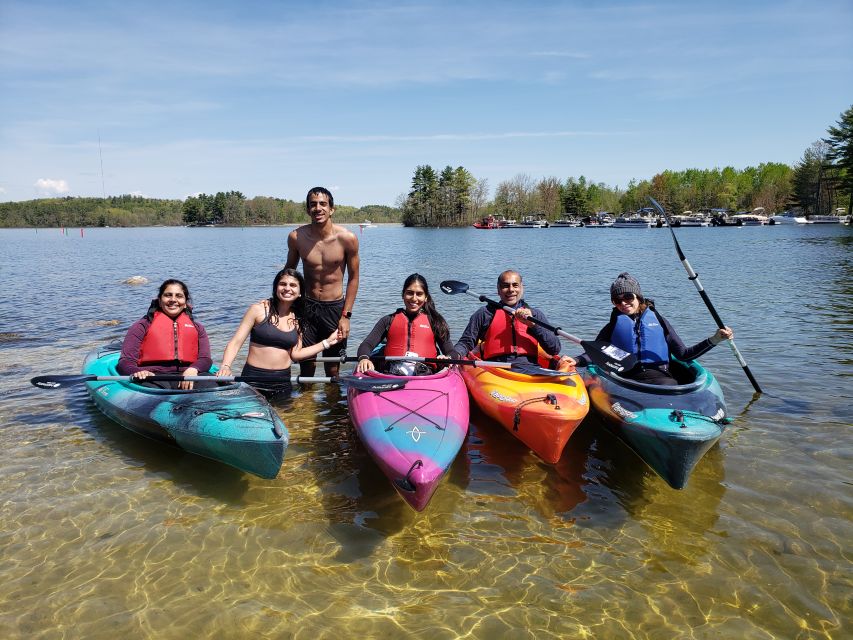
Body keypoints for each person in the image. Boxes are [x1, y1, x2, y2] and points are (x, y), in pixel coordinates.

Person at [576, 272, 734, 385]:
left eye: (628, 297)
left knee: (671, 385)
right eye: (617, 300)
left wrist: (715, 339)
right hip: (625, 381)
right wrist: (575, 360)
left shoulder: (659, 321)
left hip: (661, 378)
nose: (623, 303)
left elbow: (684, 355)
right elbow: (594, 353)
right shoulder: (612, 327)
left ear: (638, 297)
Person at [216, 268, 342, 397]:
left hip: (282, 382)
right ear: (276, 288)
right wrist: (226, 366)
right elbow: (236, 342)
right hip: (253, 379)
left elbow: (296, 354)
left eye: (293, 285)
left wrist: (327, 342)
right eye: (283, 284)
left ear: (299, 292)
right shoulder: (258, 310)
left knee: (286, 417)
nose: (287, 288)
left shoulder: (298, 318)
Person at [284, 187, 359, 378]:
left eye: (323, 204)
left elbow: (354, 278)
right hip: (307, 307)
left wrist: (346, 316)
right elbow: (288, 275)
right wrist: (280, 307)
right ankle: (306, 404)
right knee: (306, 363)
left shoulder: (347, 239)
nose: (318, 208)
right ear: (308, 210)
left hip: (335, 308)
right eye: (313, 204)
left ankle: (333, 405)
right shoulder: (296, 237)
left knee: (333, 367)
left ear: (331, 209)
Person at [450, 269, 573, 368]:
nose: (511, 290)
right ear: (498, 290)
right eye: (505, 286)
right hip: (495, 369)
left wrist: (533, 326)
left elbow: (554, 349)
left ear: (521, 288)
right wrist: (452, 356)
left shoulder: (535, 315)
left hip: (530, 368)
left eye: (515, 285)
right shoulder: (484, 313)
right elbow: (466, 342)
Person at [117, 279, 214, 390]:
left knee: (213, 388)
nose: (173, 300)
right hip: (153, 377)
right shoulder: (141, 326)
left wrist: (194, 369)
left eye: (179, 296)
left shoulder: (198, 328)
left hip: (189, 374)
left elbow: (205, 359)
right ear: (159, 300)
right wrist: (138, 372)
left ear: (186, 303)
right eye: (168, 295)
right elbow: (125, 361)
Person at [356, 274, 453, 376]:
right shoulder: (388, 320)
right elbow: (367, 344)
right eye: (410, 293)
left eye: (419, 294)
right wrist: (364, 358)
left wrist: (448, 358)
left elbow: (451, 351)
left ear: (426, 298)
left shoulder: (435, 322)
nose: (414, 298)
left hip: (424, 375)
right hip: (391, 373)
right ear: (403, 295)